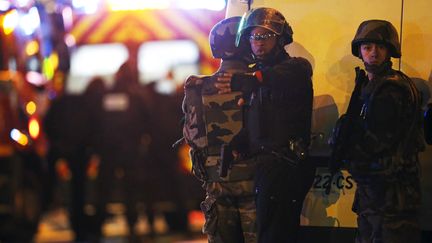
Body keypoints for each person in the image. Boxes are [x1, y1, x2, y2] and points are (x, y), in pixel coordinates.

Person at [210, 8, 315, 242]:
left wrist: (253, 80)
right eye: (253, 37)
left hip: (286, 166)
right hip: (266, 167)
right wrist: (240, 142)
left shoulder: (292, 68)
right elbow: (261, 123)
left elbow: (292, 73)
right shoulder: (259, 78)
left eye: (265, 36)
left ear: (280, 39)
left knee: (275, 235)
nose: (258, 43)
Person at [330, 19, 425, 243]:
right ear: (360, 51)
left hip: (390, 194)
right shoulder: (372, 84)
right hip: (378, 192)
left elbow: (377, 142)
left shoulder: (390, 88)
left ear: (389, 51)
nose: (373, 53)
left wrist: (350, 155)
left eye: (380, 47)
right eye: (367, 47)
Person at [182, 16, 257, 242]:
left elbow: (192, 136)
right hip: (255, 184)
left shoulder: (196, 86)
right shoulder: (259, 82)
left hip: (216, 184)